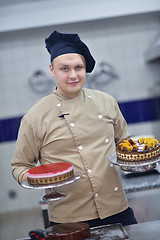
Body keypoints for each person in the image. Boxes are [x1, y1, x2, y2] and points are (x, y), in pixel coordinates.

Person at [12, 30, 137, 228]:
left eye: (78, 67)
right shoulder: (34, 117)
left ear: (85, 68)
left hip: (118, 209)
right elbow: (19, 167)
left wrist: (137, 160)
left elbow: (124, 146)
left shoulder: (107, 102)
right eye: (64, 69)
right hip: (69, 219)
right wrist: (41, 179)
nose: (73, 75)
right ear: (52, 71)